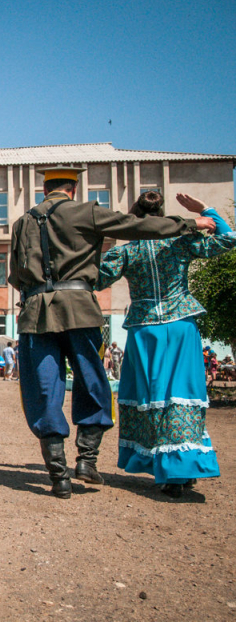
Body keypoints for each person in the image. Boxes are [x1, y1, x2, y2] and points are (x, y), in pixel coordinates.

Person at [9, 165, 215, 499]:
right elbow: (136, 225)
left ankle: (58, 475)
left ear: (44, 190)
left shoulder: (23, 223)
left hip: (35, 315)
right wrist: (192, 223)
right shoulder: (85, 212)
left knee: (44, 389)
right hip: (81, 310)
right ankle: (87, 460)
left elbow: (16, 275)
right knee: (93, 381)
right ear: (73, 189)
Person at [95, 191, 235, 498]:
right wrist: (204, 209)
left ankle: (166, 469)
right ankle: (181, 468)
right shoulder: (181, 242)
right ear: (164, 216)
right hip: (181, 323)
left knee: (152, 394)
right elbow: (229, 239)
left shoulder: (127, 252)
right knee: (181, 392)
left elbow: (96, 279)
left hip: (146, 329)